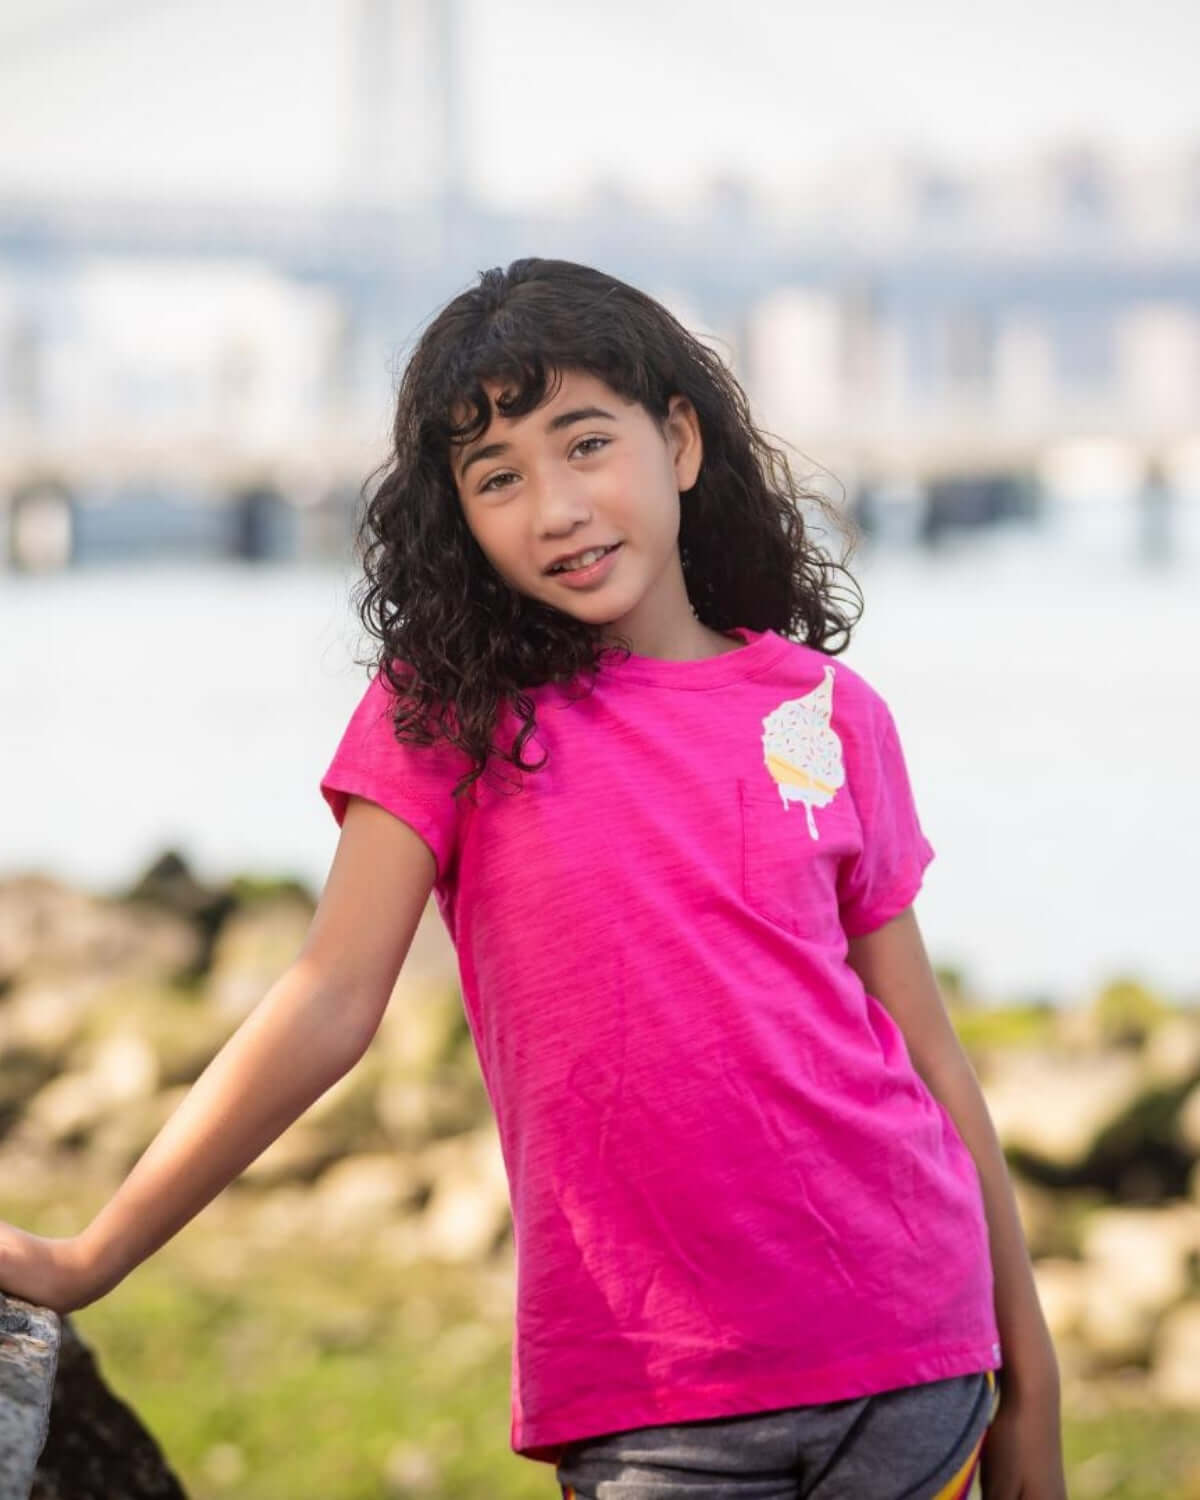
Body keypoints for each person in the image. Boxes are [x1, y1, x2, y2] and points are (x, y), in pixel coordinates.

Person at [0, 258, 1066, 1499]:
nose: (555, 507)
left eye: (585, 444)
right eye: (499, 478)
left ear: (678, 441)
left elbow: (929, 1054)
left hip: (911, 1357)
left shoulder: (829, 715)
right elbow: (330, 1002)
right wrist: (91, 1257)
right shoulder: (447, 713)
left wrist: (1031, 1378)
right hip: (656, 1398)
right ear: (458, 517)